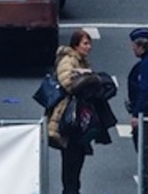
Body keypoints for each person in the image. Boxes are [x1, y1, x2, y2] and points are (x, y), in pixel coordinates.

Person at [48, 29, 114, 194]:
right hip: (69, 117)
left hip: (80, 118)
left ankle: (73, 190)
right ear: (75, 45)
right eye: (85, 43)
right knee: (71, 159)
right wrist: (88, 80)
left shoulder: (82, 62)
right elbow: (68, 84)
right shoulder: (68, 61)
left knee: (77, 158)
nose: (89, 47)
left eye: (89, 43)